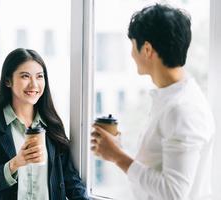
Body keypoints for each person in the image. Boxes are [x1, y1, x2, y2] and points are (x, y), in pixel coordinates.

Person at [91, 4, 215, 200]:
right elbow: (156, 170)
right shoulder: (170, 99)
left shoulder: (182, 109)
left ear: (147, 49)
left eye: (133, 45)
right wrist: (118, 151)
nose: (131, 54)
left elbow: (173, 193)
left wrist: (117, 156)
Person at [0, 48, 89, 200]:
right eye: (25, 76)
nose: (34, 84)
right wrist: (15, 163)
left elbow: (70, 179)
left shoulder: (52, 124)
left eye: (39, 77)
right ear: (8, 80)